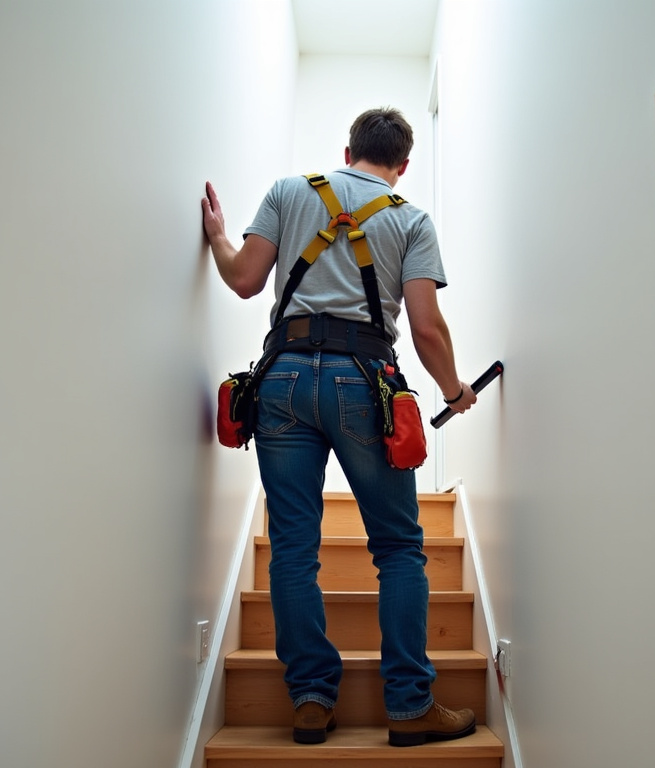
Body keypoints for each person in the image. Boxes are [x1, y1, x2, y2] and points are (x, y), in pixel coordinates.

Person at [201, 107, 479, 747]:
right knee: (399, 549)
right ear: (402, 164)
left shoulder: (289, 191)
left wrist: (218, 237)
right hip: (364, 384)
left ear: (346, 148)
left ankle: (310, 701)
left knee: (294, 549)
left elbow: (244, 279)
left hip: (283, 381)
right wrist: (452, 390)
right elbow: (427, 327)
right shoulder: (409, 218)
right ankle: (408, 706)